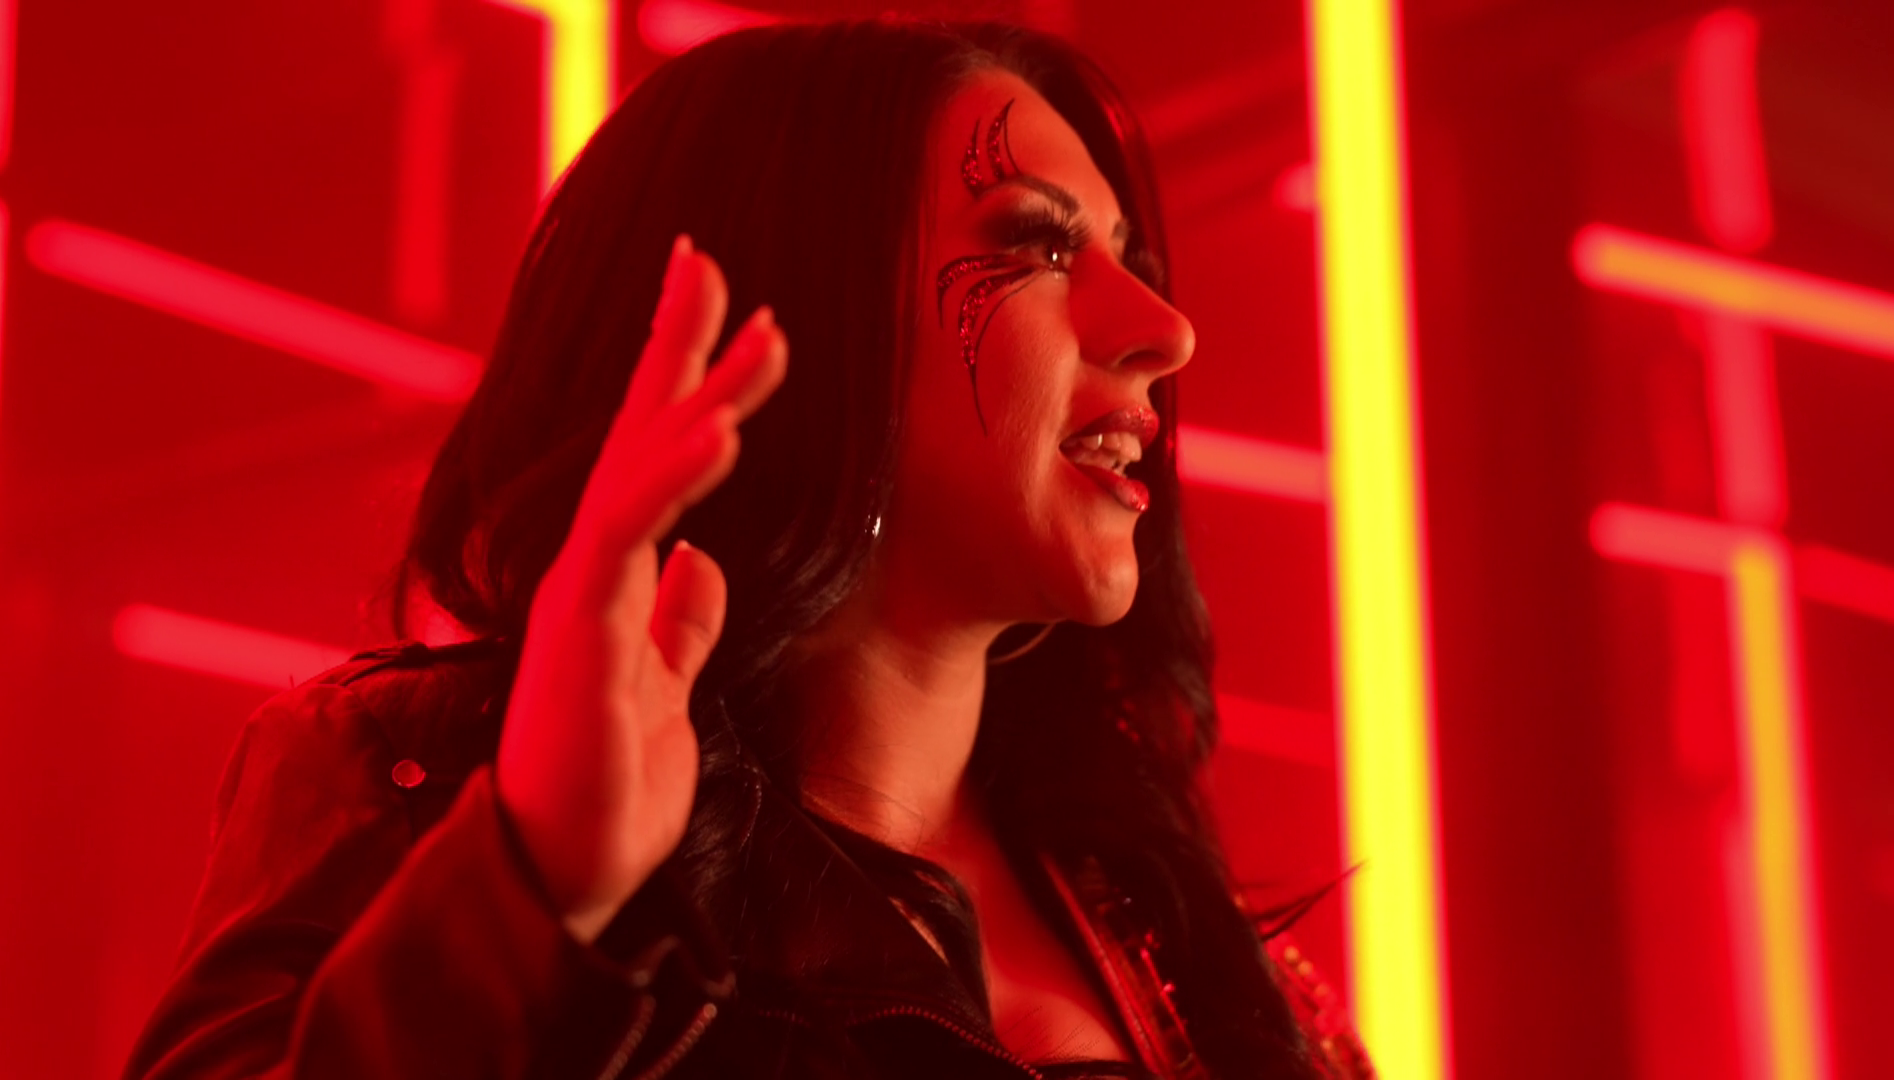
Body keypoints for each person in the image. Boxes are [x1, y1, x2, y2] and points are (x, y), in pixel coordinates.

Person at [124, 18, 1371, 1080]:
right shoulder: (414, 779)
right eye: (1035, 244)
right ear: (795, 307)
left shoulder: (1158, 909)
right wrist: (525, 891)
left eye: (1128, 257)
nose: (1164, 329)